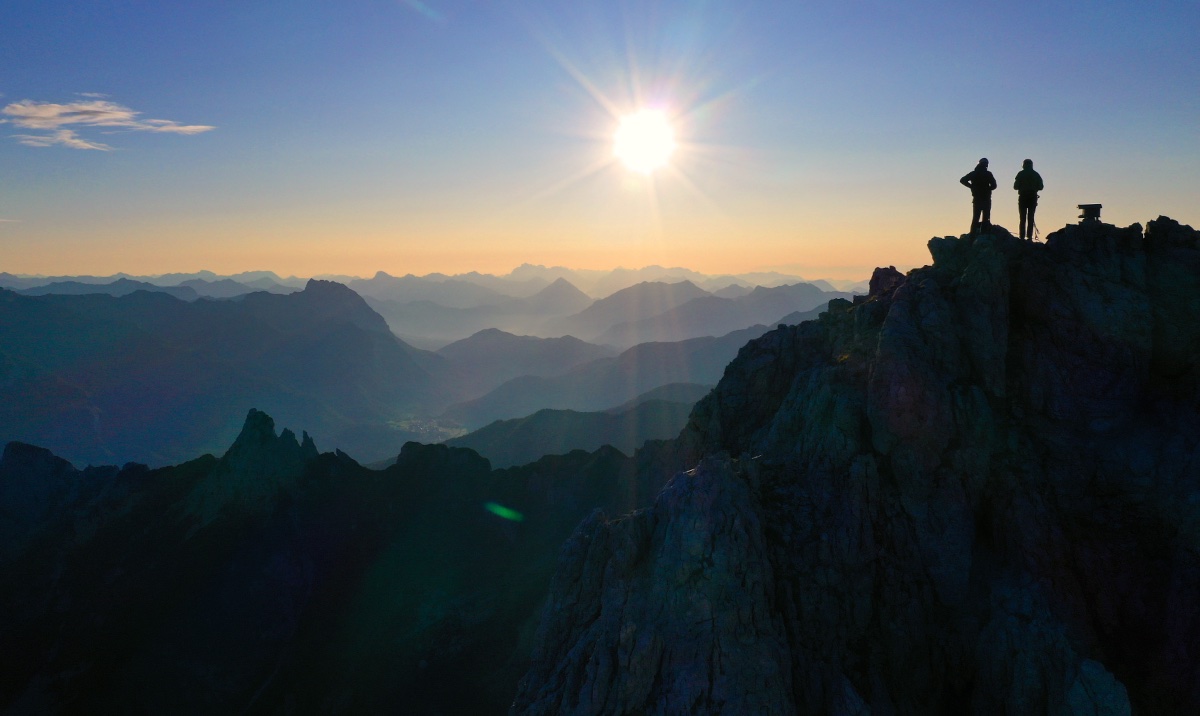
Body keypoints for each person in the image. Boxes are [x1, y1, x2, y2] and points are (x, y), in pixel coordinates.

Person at [960, 158, 997, 235]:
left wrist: (971, 186)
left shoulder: (974, 173)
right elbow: (994, 185)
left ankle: (972, 235)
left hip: (977, 198)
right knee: (985, 218)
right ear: (986, 165)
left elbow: (962, 180)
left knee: (975, 218)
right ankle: (983, 235)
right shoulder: (988, 174)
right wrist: (988, 189)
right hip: (986, 198)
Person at [1013, 159, 1044, 240]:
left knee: (1022, 218)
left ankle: (1021, 236)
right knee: (1031, 217)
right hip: (1032, 197)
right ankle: (1029, 237)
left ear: (1023, 165)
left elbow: (1015, 186)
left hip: (1023, 197)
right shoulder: (1036, 174)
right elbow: (1041, 187)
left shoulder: (1020, 174)